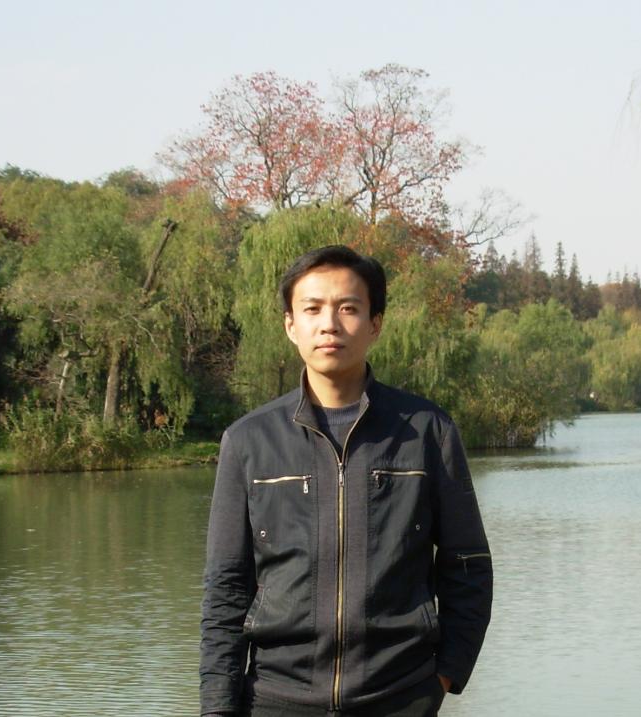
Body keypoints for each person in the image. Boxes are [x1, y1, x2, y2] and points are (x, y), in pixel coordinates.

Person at [200, 245, 492, 716]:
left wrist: (444, 676)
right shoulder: (249, 440)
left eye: (348, 308)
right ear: (290, 325)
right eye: (312, 309)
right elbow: (226, 587)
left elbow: (467, 565)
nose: (329, 324)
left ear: (375, 324)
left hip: (400, 696)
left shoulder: (426, 431)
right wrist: (217, 706)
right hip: (276, 698)